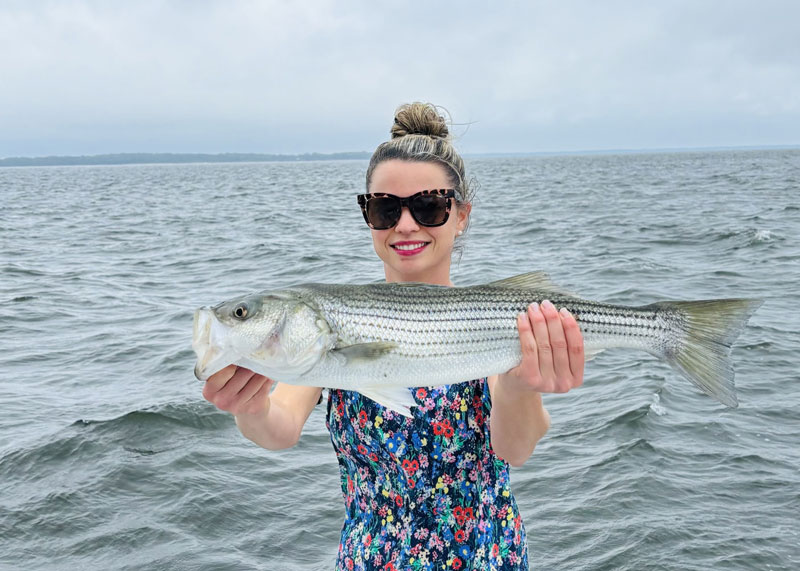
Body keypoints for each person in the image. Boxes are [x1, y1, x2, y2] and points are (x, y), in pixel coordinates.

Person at [202, 103, 584, 570]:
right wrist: (250, 407)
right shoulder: (333, 323)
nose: (405, 225)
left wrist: (522, 386)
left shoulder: (495, 320)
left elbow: (516, 450)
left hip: (487, 557)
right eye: (385, 208)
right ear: (368, 216)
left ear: (461, 215)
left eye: (429, 206)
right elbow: (279, 428)